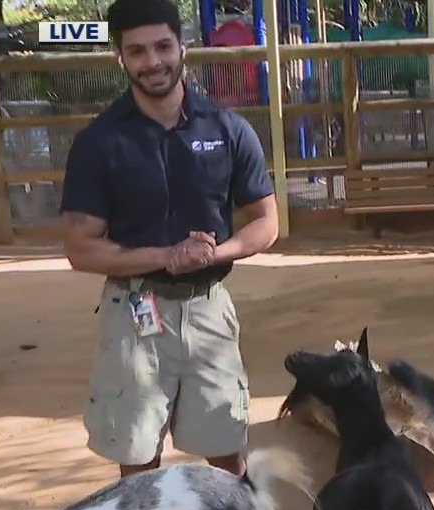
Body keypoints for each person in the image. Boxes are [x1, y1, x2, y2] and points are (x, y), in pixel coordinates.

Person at [60, 0, 279, 479]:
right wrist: (167, 256)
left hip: (209, 309)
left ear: (183, 47)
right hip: (135, 311)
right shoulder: (99, 143)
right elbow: (80, 247)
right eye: (137, 51)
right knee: (138, 457)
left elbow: (266, 221)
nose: (153, 61)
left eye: (162, 46)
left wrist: (213, 254)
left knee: (228, 450)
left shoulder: (227, 129)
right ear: (120, 57)